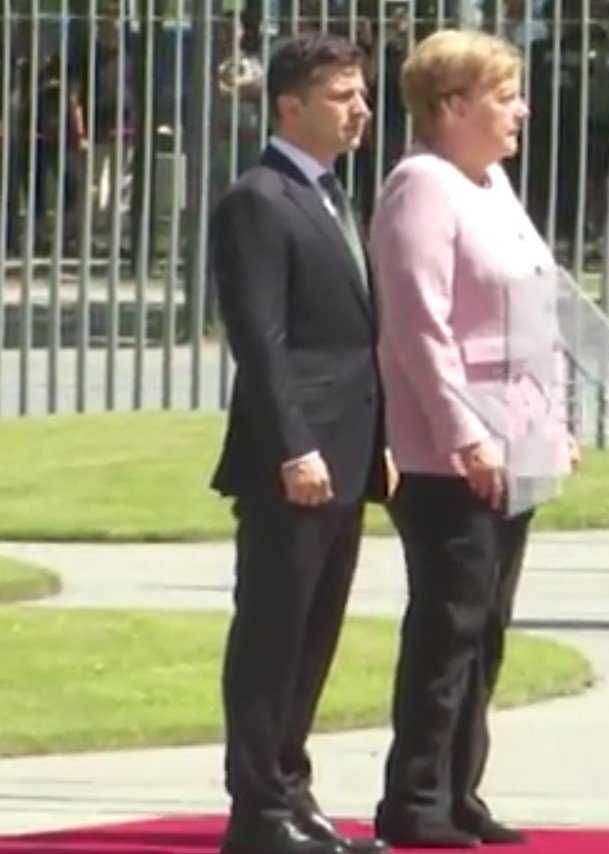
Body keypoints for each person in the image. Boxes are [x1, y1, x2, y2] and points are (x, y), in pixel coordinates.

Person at [369, 28, 579, 848]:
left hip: (516, 439)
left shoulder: (490, 183)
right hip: (449, 456)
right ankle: (416, 800)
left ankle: (461, 791)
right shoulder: (422, 187)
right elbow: (419, 326)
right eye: (504, 96)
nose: (520, 110)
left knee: (487, 625)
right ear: (452, 106)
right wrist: (465, 436)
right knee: (448, 625)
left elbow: (532, 312)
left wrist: (552, 424)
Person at [208, 31, 393, 854]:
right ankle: (257, 808)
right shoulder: (258, 199)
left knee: (315, 634)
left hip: (346, 449)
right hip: (296, 457)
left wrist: (378, 439)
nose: (360, 110)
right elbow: (262, 341)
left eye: (361, 95)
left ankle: (291, 788)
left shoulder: (328, 194)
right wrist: (293, 447)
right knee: (273, 632)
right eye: (342, 96)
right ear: (290, 106)